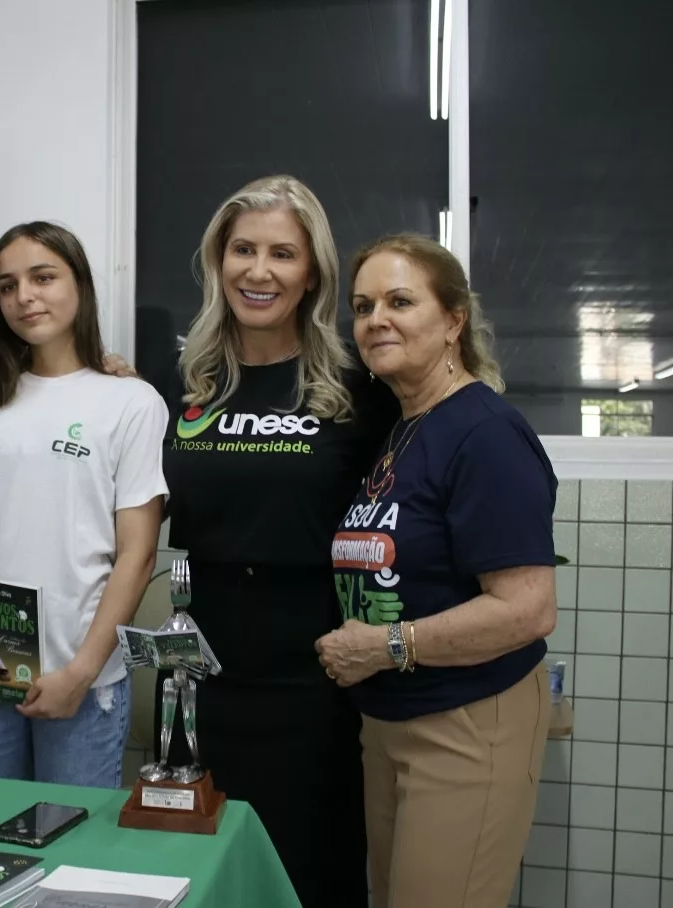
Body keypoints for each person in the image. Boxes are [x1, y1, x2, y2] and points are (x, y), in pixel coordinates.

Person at [150, 174, 398, 908]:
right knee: (198, 868)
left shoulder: (357, 387)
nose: (259, 272)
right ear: (216, 261)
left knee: (311, 869)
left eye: (282, 254)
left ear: (312, 270)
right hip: (197, 670)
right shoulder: (180, 379)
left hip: (315, 673)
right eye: (243, 250)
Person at [316, 233, 556, 908]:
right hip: (389, 720)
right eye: (362, 307)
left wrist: (386, 645)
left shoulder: (485, 433)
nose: (374, 320)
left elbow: (527, 608)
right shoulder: (401, 428)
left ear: (453, 320)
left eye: (400, 301)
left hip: (468, 718)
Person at [0, 221, 168, 788]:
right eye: (7, 286)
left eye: (43, 277)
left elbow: (137, 556)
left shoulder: (130, 401)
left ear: (80, 285)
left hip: (79, 677)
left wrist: (83, 672)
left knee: (71, 844)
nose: (24, 296)